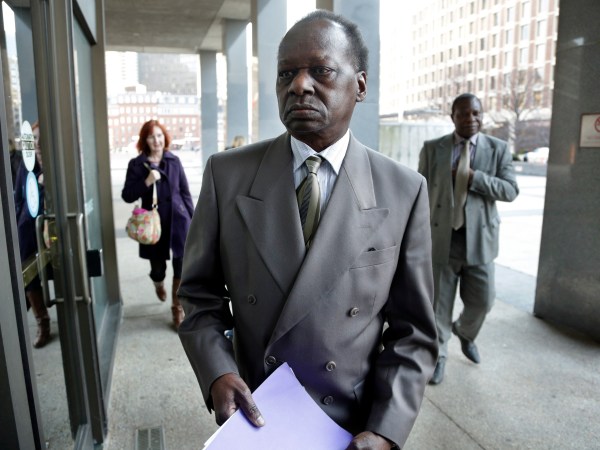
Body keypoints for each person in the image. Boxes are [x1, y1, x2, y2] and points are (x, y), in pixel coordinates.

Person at [178, 10, 437, 450]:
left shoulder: (403, 190)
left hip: (350, 426)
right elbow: (199, 297)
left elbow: (414, 332)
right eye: (286, 74)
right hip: (255, 415)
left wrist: (387, 429)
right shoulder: (227, 175)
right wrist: (218, 373)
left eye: (321, 70)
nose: (299, 85)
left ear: (360, 85)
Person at [418, 93, 519, 385]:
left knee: (483, 301)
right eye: (463, 113)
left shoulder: (498, 149)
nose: (470, 119)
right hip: (442, 238)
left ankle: (464, 332)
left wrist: (475, 178)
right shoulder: (433, 148)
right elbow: (420, 190)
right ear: (453, 117)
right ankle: (439, 356)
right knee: (439, 306)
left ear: (482, 115)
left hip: (480, 241)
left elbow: (510, 190)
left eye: (476, 113)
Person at [122, 120, 194, 329]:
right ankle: (158, 283)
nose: (157, 140)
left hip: (179, 220)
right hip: (153, 224)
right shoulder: (137, 165)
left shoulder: (174, 160)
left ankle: (177, 309)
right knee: (158, 268)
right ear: (144, 140)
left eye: (160, 135)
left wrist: (194, 220)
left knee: (181, 267)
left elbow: (185, 192)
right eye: (152, 136)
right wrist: (146, 181)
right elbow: (127, 195)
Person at [14, 121, 51, 348]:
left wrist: (47, 185)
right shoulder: (26, 165)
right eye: (34, 138)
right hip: (29, 228)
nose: (37, 143)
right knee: (26, 268)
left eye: (42, 138)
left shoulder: (59, 164)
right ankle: (42, 321)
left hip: (53, 229)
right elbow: (19, 199)